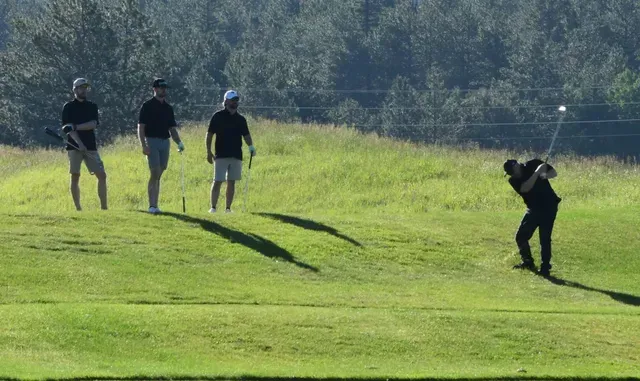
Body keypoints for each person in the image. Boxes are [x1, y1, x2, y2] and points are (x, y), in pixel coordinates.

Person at [504, 158, 562, 277]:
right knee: (521, 236)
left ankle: (545, 267)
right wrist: (536, 173)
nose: (512, 175)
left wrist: (543, 174)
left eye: (512, 172)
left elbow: (553, 173)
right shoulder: (513, 180)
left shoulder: (534, 163)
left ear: (517, 167)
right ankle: (528, 262)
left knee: (544, 238)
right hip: (533, 208)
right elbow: (525, 188)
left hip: (549, 206)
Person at [137, 78, 184, 214]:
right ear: (155, 89)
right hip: (151, 141)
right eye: (161, 88)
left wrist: (179, 142)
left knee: (160, 172)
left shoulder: (168, 108)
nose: (164, 90)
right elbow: (141, 127)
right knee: (155, 172)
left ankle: (155, 204)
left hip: (165, 142)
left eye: (165, 88)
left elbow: (172, 128)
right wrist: (143, 145)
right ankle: (152, 205)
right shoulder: (147, 105)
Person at [61, 78, 107, 211]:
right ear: (74, 90)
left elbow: (93, 124)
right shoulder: (68, 107)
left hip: (91, 146)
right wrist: (79, 143)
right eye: (81, 88)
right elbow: (68, 129)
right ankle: (78, 208)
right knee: (75, 175)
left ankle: (104, 208)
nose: (84, 90)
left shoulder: (92, 106)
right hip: (74, 146)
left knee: (101, 175)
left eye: (85, 87)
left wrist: (75, 126)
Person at [206, 90, 256, 213]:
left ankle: (228, 208)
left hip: (236, 155)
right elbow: (210, 134)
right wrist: (208, 151)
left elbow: (246, 135)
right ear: (226, 101)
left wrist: (251, 147)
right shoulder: (217, 116)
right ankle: (213, 207)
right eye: (233, 100)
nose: (235, 102)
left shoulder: (241, 119)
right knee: (217, 181)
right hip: (221, 154)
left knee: (231, 182)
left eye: (236, 100)